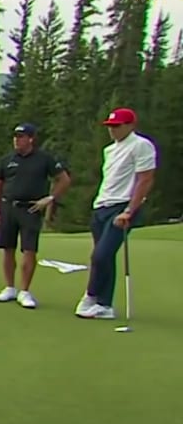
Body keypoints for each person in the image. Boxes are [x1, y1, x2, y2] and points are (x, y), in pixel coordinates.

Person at [75, 108, 157, 319]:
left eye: (117, 126)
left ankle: (90, 297)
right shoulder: (109, 150)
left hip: (122, 207)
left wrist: (130, 210)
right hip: (102, 206)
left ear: (130, 126)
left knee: (100, 256)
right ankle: (105, 306)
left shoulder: (141, 145)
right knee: (106, 257)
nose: (112, 130)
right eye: (110, 126)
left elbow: (145, 179)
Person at [0, 123, 71, 308]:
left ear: (31, 139)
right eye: (15, 136)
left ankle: (24, 291)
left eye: (21, 136)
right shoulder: (7, 160)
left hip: (31, 209)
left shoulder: (44, 159)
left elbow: (64, 179)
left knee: (29, 250)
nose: (17, 139)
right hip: (8, 207)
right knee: (7, 248)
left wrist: (50, 198)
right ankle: (10, 288)